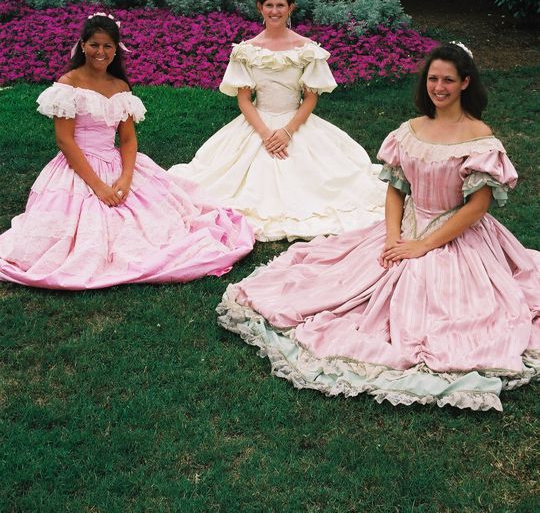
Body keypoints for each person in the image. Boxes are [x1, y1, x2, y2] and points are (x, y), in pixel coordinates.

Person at [217, 43, 540, 411]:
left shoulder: (479, 137)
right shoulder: (411, 130)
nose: (439, 87)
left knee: (437, 298)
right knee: (347, 281)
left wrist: (423, 245)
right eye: (433, 78)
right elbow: (395, 191)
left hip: (457, 234)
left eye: (449, 80)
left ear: (465, 83)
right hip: (405, 226)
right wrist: (392, 236)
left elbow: (477, 207)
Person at [0, 13, 253, 290]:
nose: (101, 52)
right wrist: (99, 187)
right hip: (78, 165)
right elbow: (65, 142)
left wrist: (125, 178)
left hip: (115, 162)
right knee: (89, 229)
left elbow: (129, 140)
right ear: (82, 45)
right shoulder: (68, 84)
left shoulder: (120, 87)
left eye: (108, 46)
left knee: (154, 224)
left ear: (116, 49)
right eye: (95, 45)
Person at [168, 0, 386, 242]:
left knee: (328, 181)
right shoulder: (246, 50)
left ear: (291, 8)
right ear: (260, 8)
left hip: (295, 121)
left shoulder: (307, 49)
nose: (275, 11)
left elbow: (309, 99)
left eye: (280, 5)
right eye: (269, 5)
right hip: (258, 122)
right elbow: (245, 100)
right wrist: (265, 134)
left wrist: (286, 132)